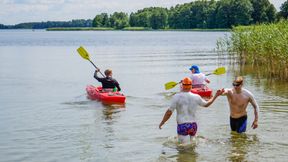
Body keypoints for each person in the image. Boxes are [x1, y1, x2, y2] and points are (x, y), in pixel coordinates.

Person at [159, 77, 223, 144]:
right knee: (193, 146)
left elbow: (169, 113)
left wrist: (162, 122)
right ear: (191, 86)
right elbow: (206, 104)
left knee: (182, 148)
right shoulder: (196, 96)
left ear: (182, 86)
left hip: (182, 125)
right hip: (193, 125)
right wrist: (216, 96)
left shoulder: (177, 97)